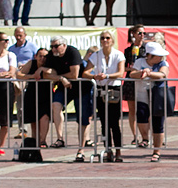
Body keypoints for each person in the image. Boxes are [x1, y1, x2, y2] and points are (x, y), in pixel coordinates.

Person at [44, 36, 91, 156]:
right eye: (52, 46)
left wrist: (59, 76)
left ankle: (81, 148)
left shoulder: (72, 52)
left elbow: (74, 74)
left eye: (56, 46)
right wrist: (61, 78)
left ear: (64, 45)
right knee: (55, 105)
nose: (53, 49)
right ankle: (60, 138)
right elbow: (46, 74)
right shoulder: (51, 55)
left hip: (81, 87)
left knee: (82, 117)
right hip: (64, 85)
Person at [86, 30, 125, 162]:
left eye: (107, 38)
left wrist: (107, 76)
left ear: (112, 40)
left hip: (114, 88)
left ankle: (118, 151)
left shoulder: (118, 54)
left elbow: (120, 72)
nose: (105, 40)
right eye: (102, 38)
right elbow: (85, 72)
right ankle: (108, 150)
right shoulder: (96, 55)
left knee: (114, 122)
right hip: (101, 88)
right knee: (104, 122)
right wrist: (94, 76)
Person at [130, 41, 170, 162]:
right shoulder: (139, 62)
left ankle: (157, 151)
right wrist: (142, 72)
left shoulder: (163, 63)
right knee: (141, 117)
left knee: (158, 123)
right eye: (157, 55)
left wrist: (149, 73)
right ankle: (145, 138)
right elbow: (132, 74)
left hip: (158, 96)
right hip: (142, 95)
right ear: (150, 55)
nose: (160, 57)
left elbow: (163, 74)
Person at [17, 47, 52, 148]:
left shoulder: (49, 64)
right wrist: (32, 76)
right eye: (40, 56)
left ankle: (43, 140)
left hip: (46, 93)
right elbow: (19, 74)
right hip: (32, 92)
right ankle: (35, 140)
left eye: (45, 56)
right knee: (34, 119)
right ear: (36, 56)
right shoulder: (31, 63)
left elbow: (53, 72)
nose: (42, 58)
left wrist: (41, 70)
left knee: (45, 116)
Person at [124, 24, 147, 143]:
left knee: (145, 109)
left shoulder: (147, 49)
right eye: (140, 33)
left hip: (143, 81)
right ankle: (135, 136)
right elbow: (123, 67)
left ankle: (146, 135)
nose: (142, 36)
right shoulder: (128, 50)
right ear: (133, 34)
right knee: (132, 110)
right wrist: (131, 69)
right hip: (131, 81)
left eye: (144, 33)